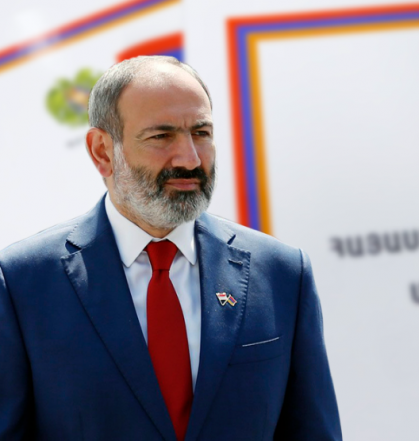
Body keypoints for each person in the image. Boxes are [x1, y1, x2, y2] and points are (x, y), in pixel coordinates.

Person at [0, 56, 342, 440]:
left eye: (201, 132)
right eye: (161, 136)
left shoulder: (282, 274)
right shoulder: (22, 283)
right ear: (102, 151)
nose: (190, 159)